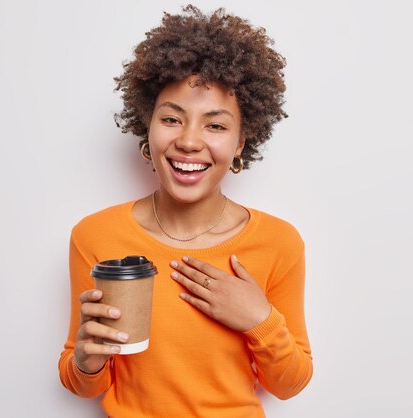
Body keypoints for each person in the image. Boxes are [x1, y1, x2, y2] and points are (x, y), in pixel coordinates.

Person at [58, 5, 313, 417]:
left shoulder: (279, 243)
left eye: (215, 125)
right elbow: (82, 383)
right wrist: (87, 361)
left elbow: (289, 385)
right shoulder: (96, 237)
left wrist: (259, 318)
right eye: (172, 119)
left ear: (241, 143)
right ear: (148, 127)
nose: (189, 141)